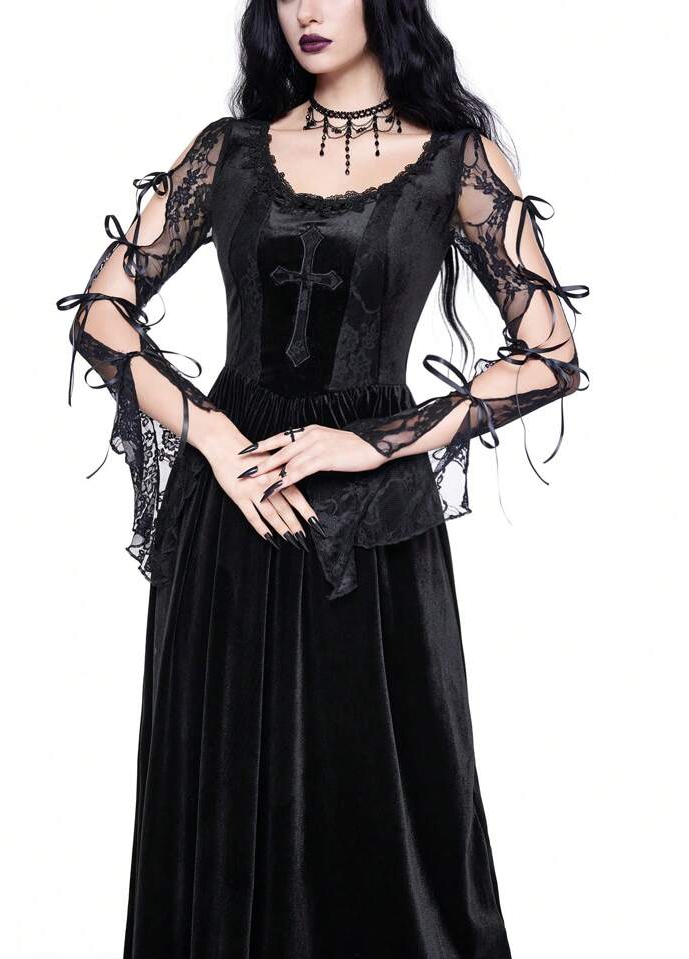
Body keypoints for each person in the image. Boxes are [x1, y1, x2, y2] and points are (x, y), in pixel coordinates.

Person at [57, 1, 589, 956]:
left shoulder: (454, 163)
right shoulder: (228, 153)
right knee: (222, 798)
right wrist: (215, 438)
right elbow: (100, 312)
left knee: (382, 809)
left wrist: (374, 442)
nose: (307, 9)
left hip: (373, 537)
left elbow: (551, 356)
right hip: (231, 523)